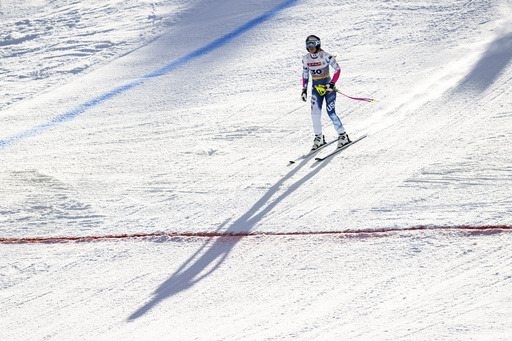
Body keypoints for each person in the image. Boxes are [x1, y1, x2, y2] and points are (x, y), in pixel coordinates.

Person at [301, 35, 350, 150]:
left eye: (312, 43)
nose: (310, 46)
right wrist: (304, 89)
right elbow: (305, 74)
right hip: (316, 89)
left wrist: (332, 83)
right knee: (314, 113)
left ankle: (343, 136)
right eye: (308, 44)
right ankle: (319, 137)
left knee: (330, 112)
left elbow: (337, 69)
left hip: (328, 88)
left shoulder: (326, 56)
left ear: (318, 44)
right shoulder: (305, 58)